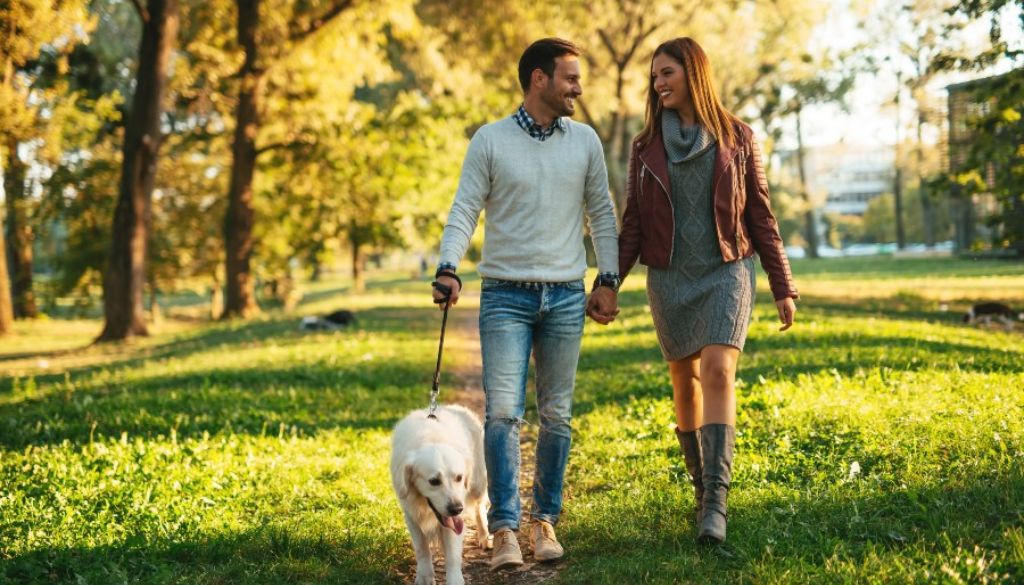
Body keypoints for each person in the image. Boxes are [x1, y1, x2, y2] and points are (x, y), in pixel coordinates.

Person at [431, 38, 620, 570]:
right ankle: (506, 530)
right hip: (505, 295)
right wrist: (449, 266)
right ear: (538, 79)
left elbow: (602, 213)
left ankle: (545, 521)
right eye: (570, 78)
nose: (578, 88)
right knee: (505, 415)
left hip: (564, 295)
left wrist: (607, 279)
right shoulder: (489, 140)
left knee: (557, 415)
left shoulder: (584, 141)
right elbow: (464, 207)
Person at [614, 37, 798, 544]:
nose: (659, 83)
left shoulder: (738, 137)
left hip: (726, 269)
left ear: (694, 72)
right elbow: (632, 224)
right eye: (654, 76)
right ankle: (699, 491)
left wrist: (782, 284)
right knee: (684, 380)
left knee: (717, 369)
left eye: (667, 72)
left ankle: (716, 500)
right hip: (669, 277)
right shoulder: (644, 146)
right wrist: (609, 284)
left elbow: (760, 212)